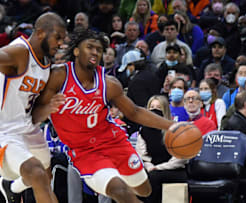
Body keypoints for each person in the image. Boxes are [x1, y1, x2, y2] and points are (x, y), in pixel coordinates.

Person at [32, 28, 174, 203]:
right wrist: (48, 109)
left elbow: (134, 112)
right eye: (90, 47)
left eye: (99, 50)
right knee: (120, 190)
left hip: (114, 142)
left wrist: (171, 126)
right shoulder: (59, 76)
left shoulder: (109, 84)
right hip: (85, 152)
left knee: (144, 190)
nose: (95, 52)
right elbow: (34, 115)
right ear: (76, 51)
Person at [0, 12, 66, 203]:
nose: (60, 44)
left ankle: (12, 187)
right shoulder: (20, 52)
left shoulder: (46, 62)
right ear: (41, 33)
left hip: (27, 126)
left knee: (46, 177)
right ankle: (12, 185)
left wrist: (49, 107)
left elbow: (34, 114)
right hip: (2, 131)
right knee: (37, 173)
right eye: (57, 37)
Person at [137, 95, 188, 203]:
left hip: (174, 170)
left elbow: (180, 159)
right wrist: (150, 166)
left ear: (165, 111)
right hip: (152, 169)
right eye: (152, 108)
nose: (155, 111)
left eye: (159, 108)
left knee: (153, 177)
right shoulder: (144, 131)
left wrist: (159, 168)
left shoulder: (176, 130)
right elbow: (143, 155)